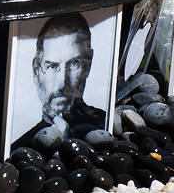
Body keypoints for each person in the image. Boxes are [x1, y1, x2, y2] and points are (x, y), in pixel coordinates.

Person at [10, 11, 106, 150]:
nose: (61, 83)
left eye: (74, 63)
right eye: (52, 66)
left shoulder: (106, 125)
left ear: (88, 65)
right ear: (36, 71)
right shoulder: (17, 150)